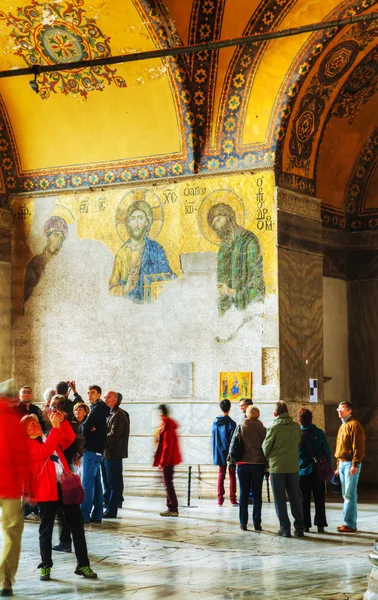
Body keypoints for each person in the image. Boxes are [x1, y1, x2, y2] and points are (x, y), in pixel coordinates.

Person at [22, 412, 97, 581]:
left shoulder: (50, 438)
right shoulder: (27, 445)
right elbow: (46, 450)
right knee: (46, 530)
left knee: (77, 528)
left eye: (37, 422)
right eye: (31, 424)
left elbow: (69, 438)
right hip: (46, 492)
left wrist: (61, 422)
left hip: (65, 489)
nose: (37, 425)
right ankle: (46, 566)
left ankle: (83, 565)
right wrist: (55, 428)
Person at [109, 195, 176, 303]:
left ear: (147, 223)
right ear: (128, 223)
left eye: (140, 218)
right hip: (128, 307)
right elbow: (111, 289)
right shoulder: (122, 254)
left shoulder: (156, 250)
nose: (136, 223)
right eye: (133, 219)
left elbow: (168, 279)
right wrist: (126, 288)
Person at [0, 380, 30, 598]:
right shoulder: (13, 421)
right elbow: (21, 457)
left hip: (9, 484)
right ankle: (5, 578)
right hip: (9, 486)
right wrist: (28, 486)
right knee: (12, 531)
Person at [207, 202, 265, 314]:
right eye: (214, 226)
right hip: (229, 313)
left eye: (218, 220)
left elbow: (258, 288)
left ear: (228, 217)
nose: (217, 227)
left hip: (249, 310)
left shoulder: (249, 241)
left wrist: (232, 292)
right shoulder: (223, 249)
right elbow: (221, 279)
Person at [262, 401, 304, 538]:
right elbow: (299, 443)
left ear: (275, 414)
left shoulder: (273, 428)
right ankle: (299, 528)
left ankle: (285, 529)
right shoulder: (296, 427)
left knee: (280, 499)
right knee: (295, 498)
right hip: (293, 467)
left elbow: (265, 449)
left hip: (277, 468)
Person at [298, 408, 332, 533]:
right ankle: (320, 524)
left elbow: (296, 453)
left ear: (300, 420)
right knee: (319, 498)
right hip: (318, 470)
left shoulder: (298, 434)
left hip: (303, 470)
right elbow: (326, 451)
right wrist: (328, 467)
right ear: (311, 418)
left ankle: (306, 525)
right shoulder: (319, 432)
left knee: (304, 500)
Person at [80, 385, 110, 524]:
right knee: (97, 485)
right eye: (88, 393)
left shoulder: (97, 409)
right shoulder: (101, 410)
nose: (89, 395)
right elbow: (88, 427)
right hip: (98, 452)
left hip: (92, 451)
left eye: (92, 393)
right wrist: (88, 427)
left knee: (87, 485)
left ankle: (84, 515)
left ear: (99, 395)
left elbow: (84, 428)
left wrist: (86, 427)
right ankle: (97, 515)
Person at [335, 401, 365, 533]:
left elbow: (358, 447)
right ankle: (347, 522)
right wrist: (338, 465)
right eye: (338, 409)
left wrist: (355, 464)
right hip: (342, 463)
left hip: (350, 464)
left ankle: (350, 524)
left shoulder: (355, 425)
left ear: (349, 411)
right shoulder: (342, 426)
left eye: (341, 409)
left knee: (349, 494)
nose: (339, 411)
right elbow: (340, 448)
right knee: (345, 494)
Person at [24, 216, 68, 303]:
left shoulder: (61, 264)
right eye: (56, 235)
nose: (58, 242)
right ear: (47, 235)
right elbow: (27, 299)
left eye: (61, 239)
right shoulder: (35, 264)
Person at [237, 406, 266, 531]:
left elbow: (233, 443)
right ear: (258, 415)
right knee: (257, 494)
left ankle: (243, 522)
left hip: (243, 464)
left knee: (243, 493)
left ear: (247, 415)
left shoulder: (241, 427)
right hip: (258, 464)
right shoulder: (263, 430)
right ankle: (257, 523)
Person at [103, 391, 130, 518]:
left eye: (108, 397)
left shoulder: (119, 415)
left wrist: (99, 436)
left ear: (115, 400)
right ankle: (108, 506)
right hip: (107, 453)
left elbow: (114, 435)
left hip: (113, 453)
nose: (105, 398)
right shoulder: (110, 413)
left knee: (114, 483)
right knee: (109, 483)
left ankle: (112, 510)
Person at [153, 405, 182, 517]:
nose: (159, 415)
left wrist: (163, 461)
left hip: (168, 460)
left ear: (163, 413)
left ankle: (173, 508)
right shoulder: (166, 424)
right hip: (168, 459)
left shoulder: (168, 425)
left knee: (168, 483)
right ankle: (171, 507)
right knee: (167, 483)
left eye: (160, 413)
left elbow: (167, 446)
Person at [212, 399, 237, 506]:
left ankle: (220, 500)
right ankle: (232, 499)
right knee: (232, 475)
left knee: (221, 475)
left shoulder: (215, 423)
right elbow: (233, 440)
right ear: (229, 408)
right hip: (229, 452)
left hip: (218, 450)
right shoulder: (232, 423)